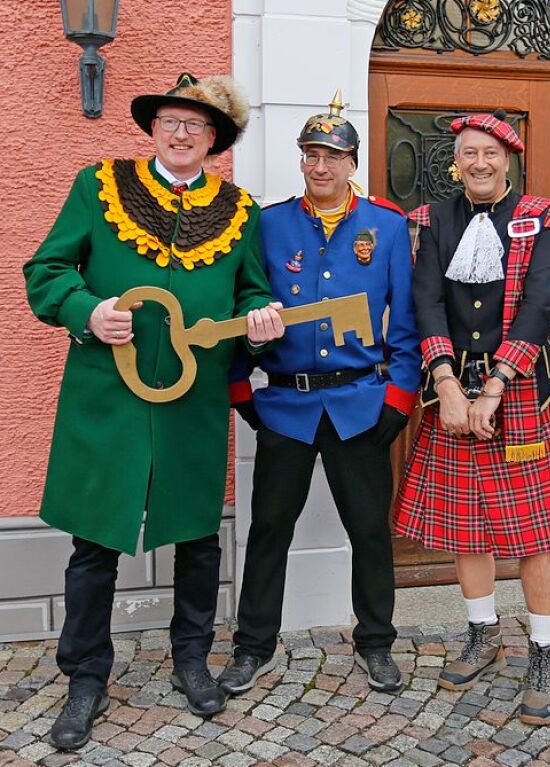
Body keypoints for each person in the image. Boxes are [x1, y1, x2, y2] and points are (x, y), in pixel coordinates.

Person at [23, 73, 284, 750]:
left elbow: (252, 289)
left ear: (214, 139)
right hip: (106, 394)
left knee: (197, 536)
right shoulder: (99, 185)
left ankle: (192, 659)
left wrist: (256, 320)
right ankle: (84, 676)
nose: (179, 133)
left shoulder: (239, 209)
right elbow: (46, 271)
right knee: (95, 541)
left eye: (194, 125)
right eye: (169, 121)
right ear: (153, 128)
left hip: (192, 400)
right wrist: (89, 311)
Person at [219, 92, 421, 695]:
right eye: (310, 154)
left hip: (360, 403)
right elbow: (244, 303)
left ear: (353, 162)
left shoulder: (384, 227)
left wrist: (399, 402)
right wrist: (240, 389)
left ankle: (377, 642)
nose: (320, 166)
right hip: (285, 404)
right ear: (301, 160)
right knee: (269, 529)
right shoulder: (268, 223)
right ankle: (253, 646)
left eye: (333, 155)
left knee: (369, 529)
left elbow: (406, 323)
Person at [393, 111, 550, 725]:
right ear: (456, 160)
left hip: (516, 389)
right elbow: (425, 302)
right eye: (469, 152)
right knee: (466, 520)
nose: (479, 163)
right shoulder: (433, 219)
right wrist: (444, 382)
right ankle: (483, 632)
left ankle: (545, 651)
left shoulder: (540, 219)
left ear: (508, 159)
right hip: (450, 387)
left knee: (534, 530)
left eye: (490, 153)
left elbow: (541, 305)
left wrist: (495, 385)